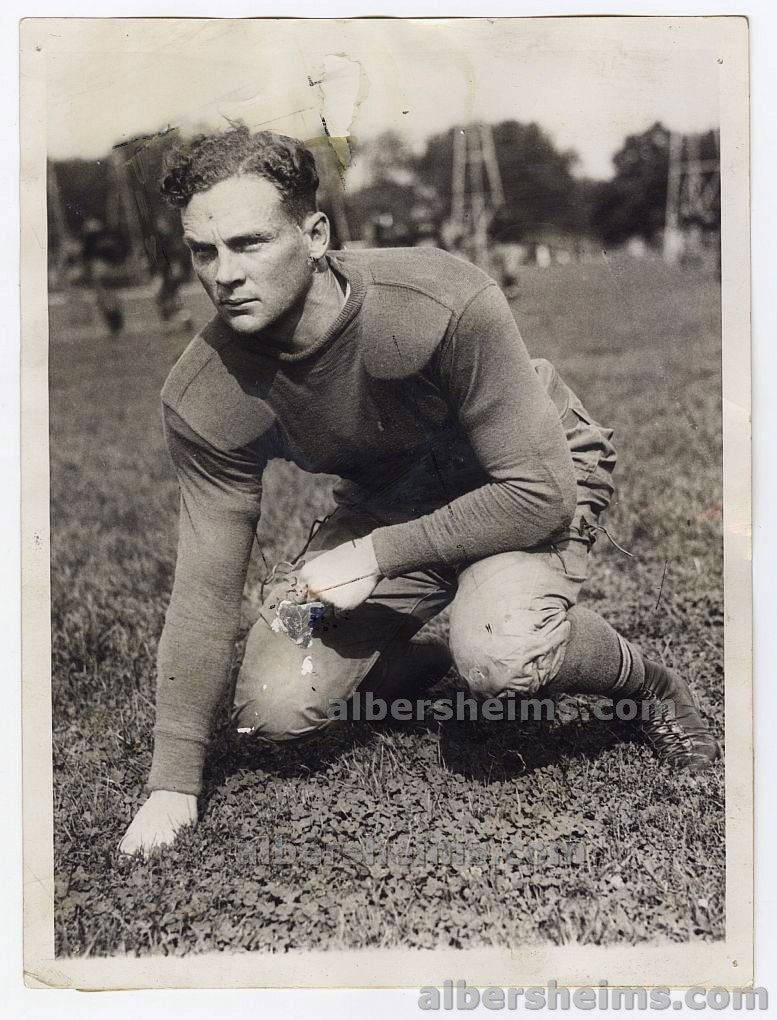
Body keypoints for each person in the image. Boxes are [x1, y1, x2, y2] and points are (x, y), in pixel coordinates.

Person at [119, 125, 720, 857]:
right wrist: (173, 782)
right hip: (393, 499)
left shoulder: (433, 297)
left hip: (528, 471)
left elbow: (536, 493)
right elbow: (204, 592)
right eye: (203, 252)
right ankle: (423, 660)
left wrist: (373, 556)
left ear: (314, 234)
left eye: (249, 244)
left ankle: (647, 685)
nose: (224, 275)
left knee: (501, 654)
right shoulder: (206, 392)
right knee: (271, 711)